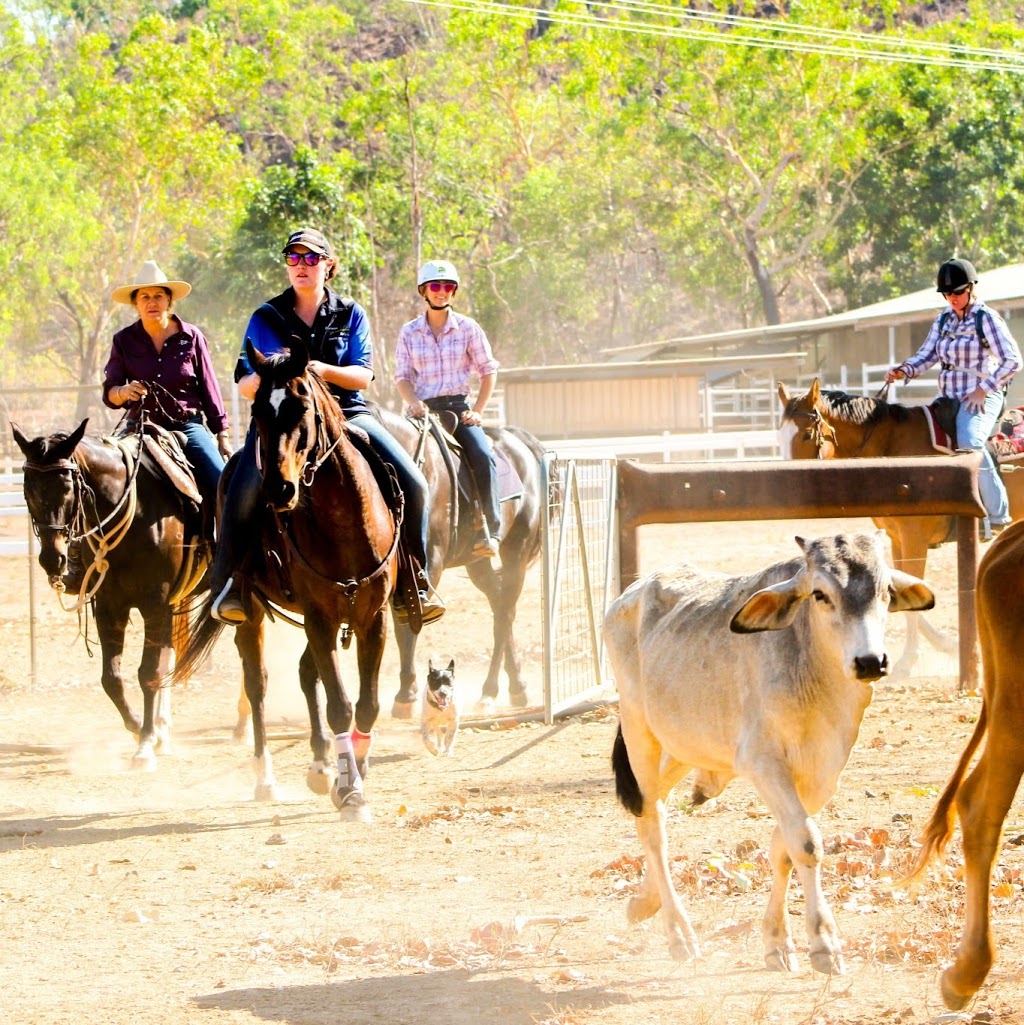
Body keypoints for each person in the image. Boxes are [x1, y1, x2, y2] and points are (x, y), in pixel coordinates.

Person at [209, 228, 444, 625]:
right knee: (240, 488)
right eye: (294, 259)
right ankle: (231, 584)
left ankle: (415, 582)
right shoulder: (266, 316)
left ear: (328, 265)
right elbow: (245, 380)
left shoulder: (350, 313)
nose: (302, 266)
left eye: (312, 258)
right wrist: (276, 379)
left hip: (349, 413)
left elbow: (363, 375)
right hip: (282, 418)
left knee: (415, 484)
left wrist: (319, 371)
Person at [885, 257, 1022, 538]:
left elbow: (1013, 361)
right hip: (947, 398)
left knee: (970, 443)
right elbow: (927, 354)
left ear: (971, 288)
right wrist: (904, 370)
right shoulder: (943, 319)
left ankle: (998, 515)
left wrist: (984, 388)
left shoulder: (987, 319)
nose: (952, 298)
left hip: (982, 396)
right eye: (947, 294)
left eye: (957, 292)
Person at [103, 260, 231, 535]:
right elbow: (110, 392)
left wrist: (222, 435)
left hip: (187, 425)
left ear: (169, 300)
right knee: (102, 481)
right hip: (140, 427)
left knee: (223, 483)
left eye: (158, 296)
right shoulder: (123, 340)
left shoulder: (191, 337)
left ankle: (232, 558)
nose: (152, 302)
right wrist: (124, 392)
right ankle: (87, 556)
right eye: (145, 297)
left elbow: (209, 386)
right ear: (135, 303)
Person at [394, 259, 501, 559]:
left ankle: (492, 529)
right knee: (395, 459)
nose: (442, 292)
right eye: (435, 286)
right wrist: (413, 403)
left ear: (453, 292)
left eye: (447, 287)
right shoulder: (409, 332)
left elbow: (488, 370)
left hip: (458, 410)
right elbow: (402, 377)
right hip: (422, 412)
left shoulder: (468, 328)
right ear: (423, 291)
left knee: (481, 453)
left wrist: (478, 410)